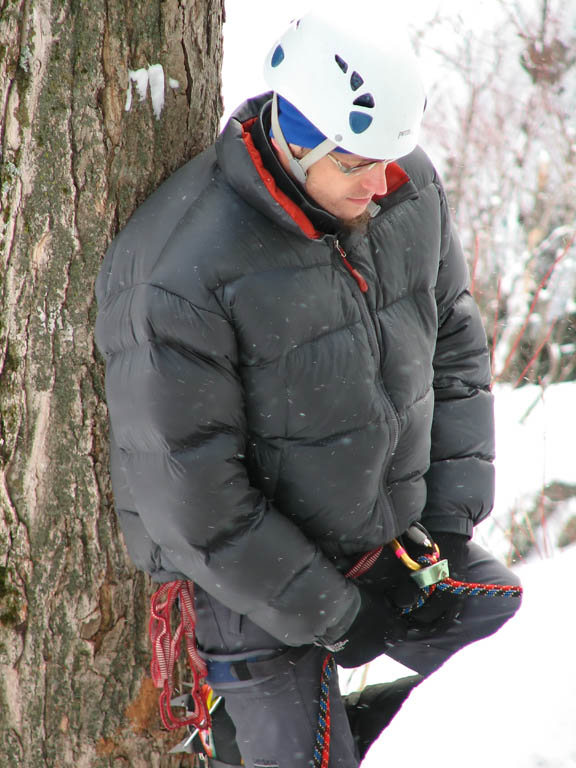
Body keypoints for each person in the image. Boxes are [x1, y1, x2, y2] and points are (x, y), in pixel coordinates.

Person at [95, 4, 522, 766]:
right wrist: (335, 612)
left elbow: (454, 342)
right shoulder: (183, 272)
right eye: (355, 165)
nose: (382, 184)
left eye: (391, 158)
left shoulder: (405, 189)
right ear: (296, 145)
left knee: (520, 657)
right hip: (254, 588)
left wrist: (449, 522)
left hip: (394, 539)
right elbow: (196, 503)